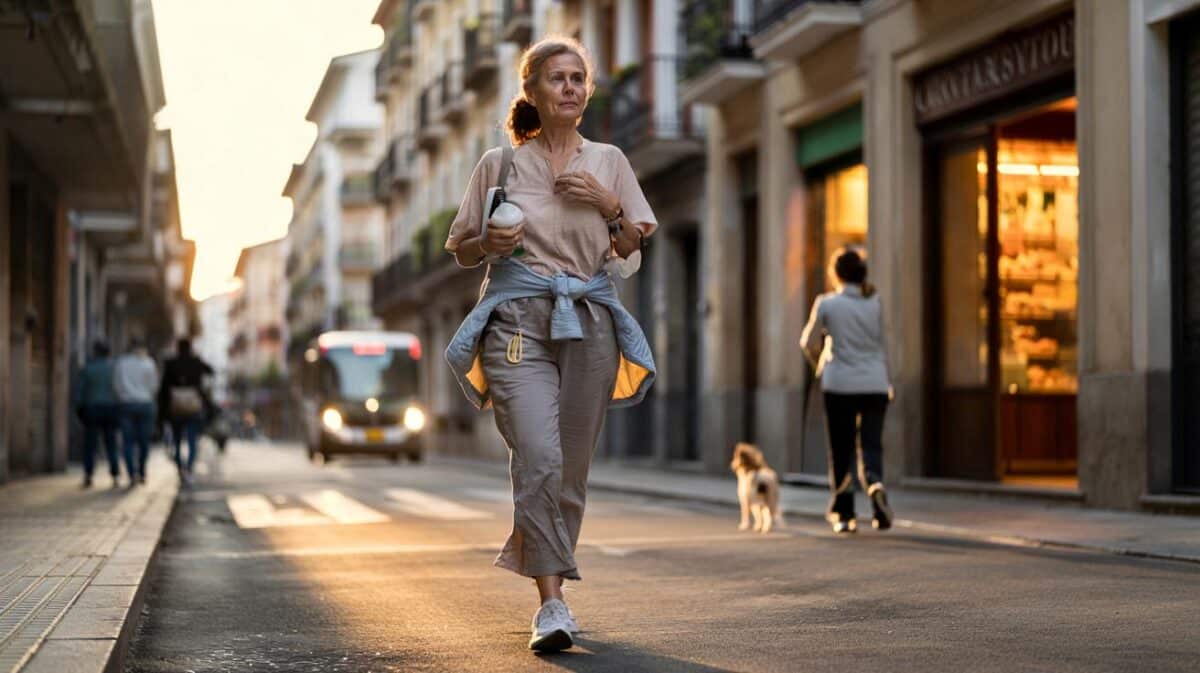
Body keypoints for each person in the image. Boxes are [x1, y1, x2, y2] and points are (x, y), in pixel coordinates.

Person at [443, 36, 657, 652]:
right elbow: (462, 250)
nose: (570, 87)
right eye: (557, 78)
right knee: (537, 456)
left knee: (571, 468)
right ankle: (552, 603)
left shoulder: (610, 160)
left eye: (578, 78)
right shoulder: (499, 165)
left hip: (589, 321)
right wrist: (488, 244)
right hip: (516, 323)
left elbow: (629, 250)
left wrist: (610, 207)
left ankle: (552, 584)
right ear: (532, 91)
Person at [800, 247, 895, 535]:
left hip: (839, 383)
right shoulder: (876, 302)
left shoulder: (827, 303)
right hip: (875, 383)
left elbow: (807, 342)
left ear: (836, 274)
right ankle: (875, 484)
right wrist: (887, 380)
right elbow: (886, 344)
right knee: (871, 444)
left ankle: (844, 513)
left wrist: (820, 362)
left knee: (841, 448)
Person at [75, 340, 133, 488]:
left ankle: (88, 475)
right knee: (111, 443)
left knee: (90, 444)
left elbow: (79, 392)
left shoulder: (88, 368)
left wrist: (79, 409)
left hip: (92, 409)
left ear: (95, 352)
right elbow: (120, 389)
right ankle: (115, 475)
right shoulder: (114, 368)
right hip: (111, 409)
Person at [158, 337, 214, 486]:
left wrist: (162, 412)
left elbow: (163, 388)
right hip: (193, 405)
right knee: (192, 440)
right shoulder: (196, 362)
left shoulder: (171, 363)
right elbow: (211, 371)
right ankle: (188, 469)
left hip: (175, 407)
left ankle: (180, 468)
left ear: (178, 348)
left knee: (176, 441)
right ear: (190, 348)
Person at [114, 337, 159, 484]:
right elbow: (154, 386)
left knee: (127, 441)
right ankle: (142, 471)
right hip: (145, 404)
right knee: (144, 441)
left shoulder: (121, 363)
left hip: (126, 404)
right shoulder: (149, 363)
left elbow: (116, 385)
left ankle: (131, 474)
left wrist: (124, 395)